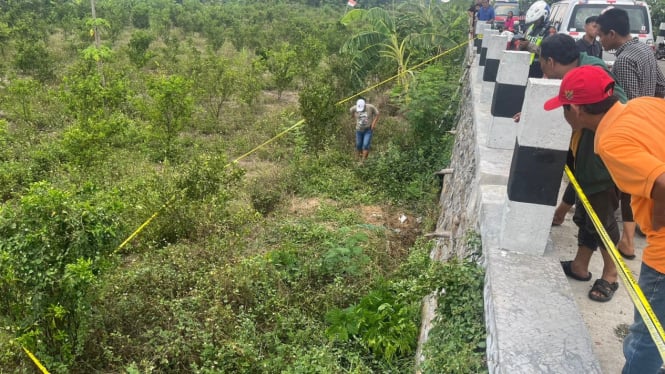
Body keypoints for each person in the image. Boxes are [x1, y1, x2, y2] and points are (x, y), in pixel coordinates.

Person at [542, 63, 665, 374]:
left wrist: (658, 228)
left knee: (647, 337)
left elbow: (663, 184)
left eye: (565, 108)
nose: (564, 114)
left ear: (579, 109)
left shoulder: (610, 140)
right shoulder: (642, 105)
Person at [538, 33, 628, 302]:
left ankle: (611, 274)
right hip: (586, 158)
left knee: (602, 219)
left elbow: (617, 104)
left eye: (542, 64)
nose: (543, 73)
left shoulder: (593, 72)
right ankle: (580, 265)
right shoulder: (577, 73)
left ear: (551, 62)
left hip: (601, 164)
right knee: (587, 216)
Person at [596, 8, 665, 259]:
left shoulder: (625, 60)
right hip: (650, 123)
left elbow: (629, 101)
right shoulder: (645, 50)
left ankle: (627, 241)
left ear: (613, 33)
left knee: (630, 187)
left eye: (602, 35)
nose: (600, 40)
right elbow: (661, 86)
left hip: (635, 127)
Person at [518, 0, 551, 78]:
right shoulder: (531, 27)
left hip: (538, 68)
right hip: (525, 65)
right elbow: (524, 39)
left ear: (544, 17)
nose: (535, 22)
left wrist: (529, 45)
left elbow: (546, 52)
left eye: (537, 19)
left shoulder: (549, 31)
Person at [349, 98, 379, 163]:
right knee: (358, 145)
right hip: (359, 130)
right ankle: (357, 158)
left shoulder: (370, 107)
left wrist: (373, 124)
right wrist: (354, 118)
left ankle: (363, 162)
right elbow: (351, 111)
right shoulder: (354, 108)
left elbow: (377, 114)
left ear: (364, 105)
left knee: (365, 145)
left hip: (368, 130)